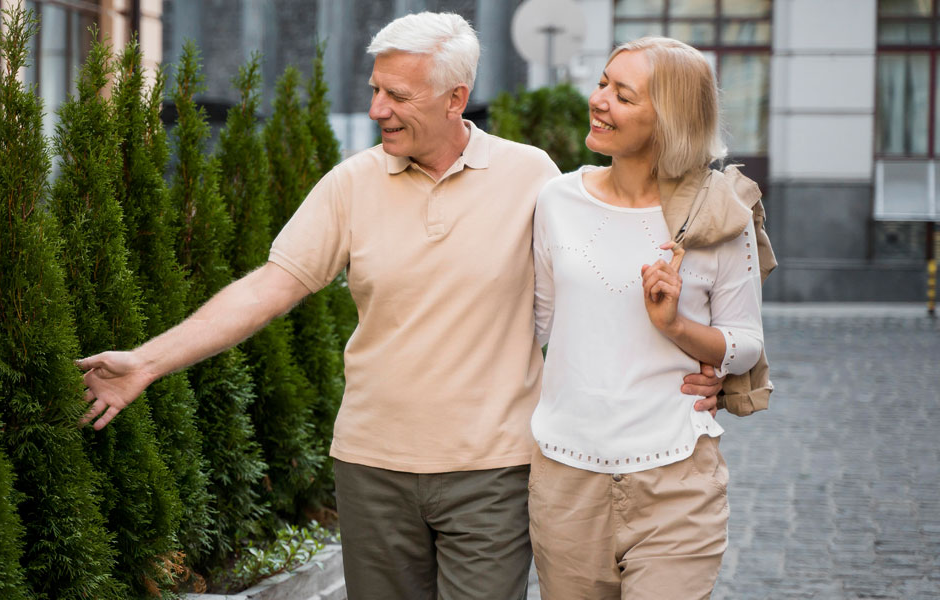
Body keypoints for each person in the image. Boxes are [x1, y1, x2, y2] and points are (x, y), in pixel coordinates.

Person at [77, 14, 723, 600]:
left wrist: (701, 360)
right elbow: (267, 288)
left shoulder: (535, 180)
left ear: (455, 100)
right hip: (372, 470)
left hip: (493, 473)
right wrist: (146, 362)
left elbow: (606, 285)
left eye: (397, 95)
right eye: (375, 88)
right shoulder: (352, 183)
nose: (376, 107)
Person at [528, 36, 769, 599]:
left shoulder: (717, 215)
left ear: (669, 120)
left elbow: (747, 343)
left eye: (623, 95)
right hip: (565, 478)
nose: (599, 100)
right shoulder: (557, 201)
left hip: (677, 478)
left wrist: (677, 328)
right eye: (603, 83)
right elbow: (536, 327)